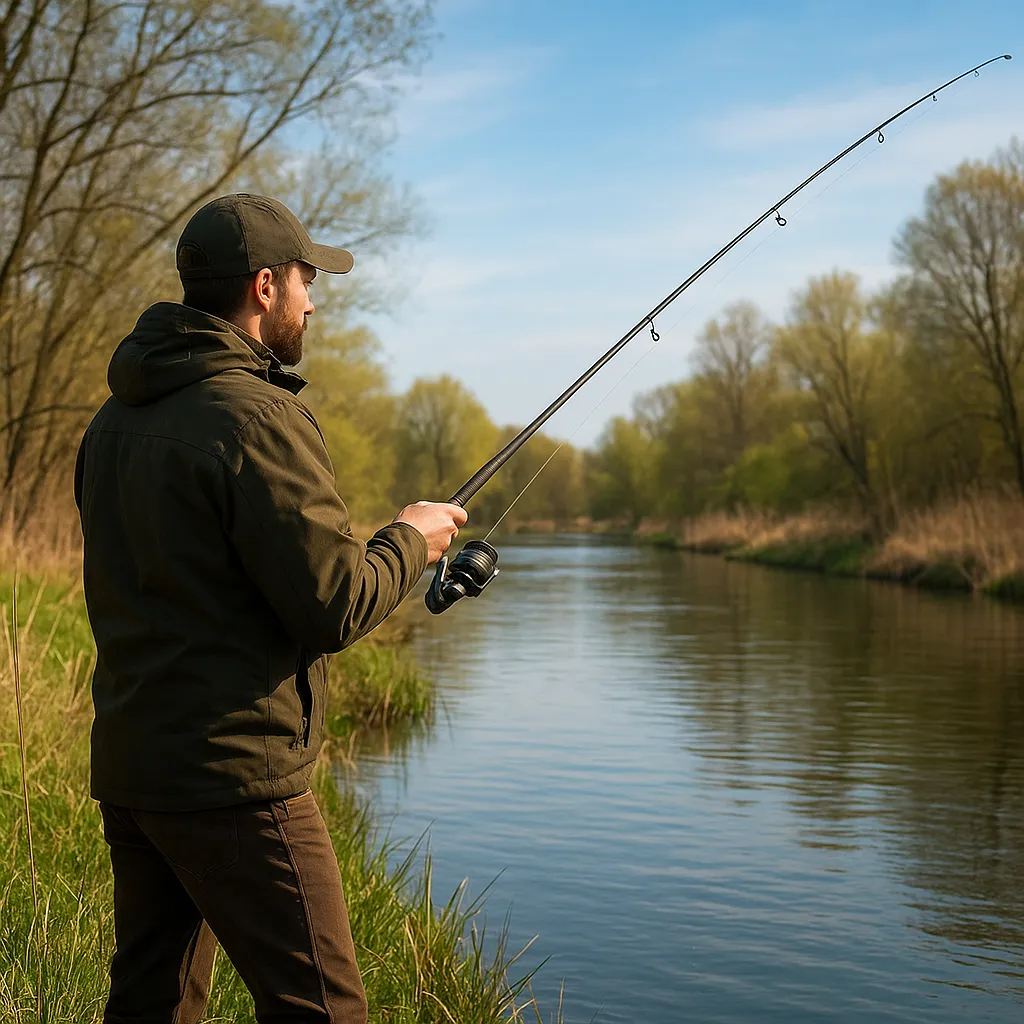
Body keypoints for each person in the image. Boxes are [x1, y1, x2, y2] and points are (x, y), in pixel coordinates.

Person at [73, 193, 467, 1024]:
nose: (314, 299)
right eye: (305, 280)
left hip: (137, 764)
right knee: (324, 1010)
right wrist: (410, 537)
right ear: (264, 286)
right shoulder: (259, 417)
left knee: (152, 1004)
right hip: (236, 780)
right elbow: (334, 604)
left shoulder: (113, 419)